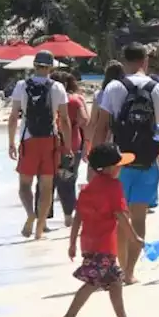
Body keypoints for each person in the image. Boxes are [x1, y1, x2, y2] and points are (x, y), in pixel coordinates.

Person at [92, 43, 159, 284]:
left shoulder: (115, 87)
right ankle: (130, 273)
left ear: (124, 60)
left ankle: (118, 269)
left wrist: (98, 161)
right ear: (145, 61)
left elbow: (102, 126)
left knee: (120, 218)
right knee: (139, 218)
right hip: (147, 162)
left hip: (119, 163)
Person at [59, 144, 146, 317]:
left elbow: (78, 217)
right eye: (118, 165)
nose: (121, 168)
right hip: (104, 244)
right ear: (107, 168)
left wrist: (72, 243)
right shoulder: (114, 187)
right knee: (92, 283)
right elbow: (120, 215)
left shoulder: (88, 189)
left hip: (88, 243)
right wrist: (134, 237)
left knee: (115, 281)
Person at [7, 50, 74, 239]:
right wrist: (67, 146)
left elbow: (13, 117)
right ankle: (39, 229)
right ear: (50, 67)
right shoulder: (58, 87)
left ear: (34, 65)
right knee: (46, 186)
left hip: (29, 139)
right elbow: (65, 120)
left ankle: (30, 214)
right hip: (50, 140)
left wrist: (11, 142)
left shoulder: (21, 86)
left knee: (24, 185)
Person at [54, 72, 89, 228]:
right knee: (69, 180)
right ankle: (69, 215)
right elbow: (84, 120)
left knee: (55, 181)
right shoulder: (75, 100)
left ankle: (46, 219)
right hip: (74, 144)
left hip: (53, 145)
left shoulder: (51, 100)